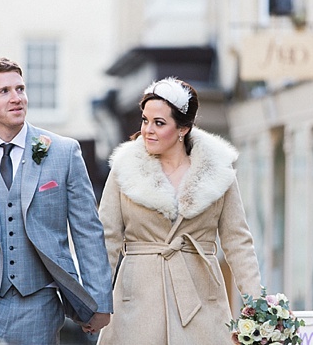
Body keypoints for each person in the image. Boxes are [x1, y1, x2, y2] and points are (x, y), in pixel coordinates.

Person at [0, 58, 113, 344]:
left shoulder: (63, 153)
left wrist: (99, 301)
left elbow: (87, 231)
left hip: (36, 311)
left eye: (20, 89)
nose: (17, 98)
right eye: (4, 91)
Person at [96, 77, 262, 345]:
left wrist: (257, 305)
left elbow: (238, 242)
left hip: (201, 303)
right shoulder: (124, 170)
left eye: (159, 123)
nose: (148, 130)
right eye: (145, 120)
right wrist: (95, 301)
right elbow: (107, 240)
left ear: (183, 128)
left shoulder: (219, 173)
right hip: (137, 304)